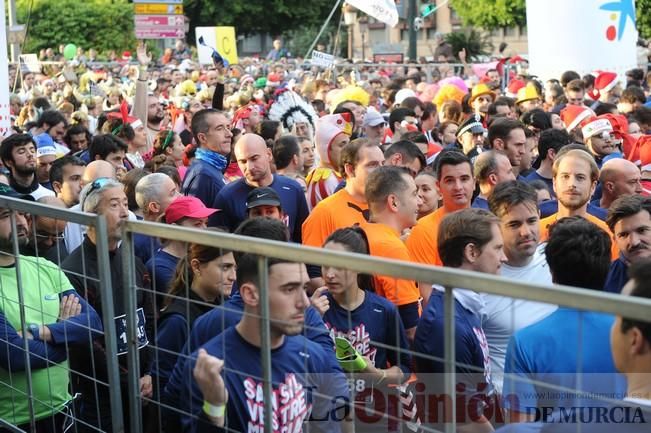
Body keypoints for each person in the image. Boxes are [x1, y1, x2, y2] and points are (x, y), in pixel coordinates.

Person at [162, 218, 337, 430]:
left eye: (304, 288)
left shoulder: (314, 356)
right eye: (289, 289)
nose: (305, 302)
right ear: (250, 293)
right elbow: (172, 412)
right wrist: (214, 409)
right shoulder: (208, 366)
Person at [0, 184, 102, 432]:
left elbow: (94, 323)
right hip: (13, 421)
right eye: (5, 215)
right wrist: (69, 338)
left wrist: (41, 332)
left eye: (21, 212)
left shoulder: (44, 267)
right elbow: (13, 356)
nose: (20, 221)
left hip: (64, 410)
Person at [503, 216, 621, 422]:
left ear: (551, 271)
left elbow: (519, 425)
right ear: (606, 267)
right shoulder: (634, 336)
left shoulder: (525, 342)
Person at [60, 178, 155, 433]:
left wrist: (150, 373)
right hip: (99, 396)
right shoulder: (73, 271)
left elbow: (150, 319)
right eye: (114, 205)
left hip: (142, 385)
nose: (125, 212)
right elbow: (84, 343)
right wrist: (128, 381)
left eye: (126, 203)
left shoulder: (133, 261)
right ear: (92, 216)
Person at [413, 208, 504, 432]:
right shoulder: (446, 325)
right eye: (498, 248)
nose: (504, 257)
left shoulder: (462, 304)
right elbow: (464, 420)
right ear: (472, 252)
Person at [313, 227, 411, 432]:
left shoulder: (383, 310)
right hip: (328, 415)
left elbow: (404, 369)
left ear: (359, 265)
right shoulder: (315, 308)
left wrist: (377, 373)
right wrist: (309, 320)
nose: (329, 274)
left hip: (375, 415)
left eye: (339, 266)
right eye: (325, 264)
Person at [485, 181, 557, 394]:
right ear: (495, 226)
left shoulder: (556, 259)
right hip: (507, 403)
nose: (526, 232)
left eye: (532, 221)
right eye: (514, 224)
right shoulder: (480, 278)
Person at [152, 238, 235, 401]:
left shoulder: (224, 306)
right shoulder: (177, 320)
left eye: (234, 268)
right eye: (225, 267)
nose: (233, 277)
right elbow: (163, 386)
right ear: (196, 266)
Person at [302, 138, 384, 285]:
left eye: (382, 164)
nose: (381, 171)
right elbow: (313, 274)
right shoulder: (325, 211)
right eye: (372, 165)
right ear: (350, 169)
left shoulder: (388, 205)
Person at [212, 134, 308, 243]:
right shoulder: (227, 196)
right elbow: (219, 245)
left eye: (254, 158)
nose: (249, 167)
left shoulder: (293, 189)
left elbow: (303, 236)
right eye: (243, 161)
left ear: (269, 154)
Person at [362, 166, 422, 338]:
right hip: (389, 358)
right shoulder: (391, 248)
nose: (419, 201)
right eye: (414, 194)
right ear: (393, 202)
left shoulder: (362, 231)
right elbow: (410, 329)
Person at [539, 149, 619, 259]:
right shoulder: (536, 231)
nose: (572, 184)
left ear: (593, 187)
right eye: (565, 176)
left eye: (580, 177)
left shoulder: (608, 235)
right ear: (554, 183)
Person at [407, 150, 475, 267]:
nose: (458, 187)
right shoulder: (424, 230)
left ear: (474, 183)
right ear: (439, 187)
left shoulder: (488, 225)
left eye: (464, 179)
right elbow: (422, 282)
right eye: (450, 181)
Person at [146, 195, 218, 299]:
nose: (205, 230)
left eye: (206, 223)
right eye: (197, 224)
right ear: (175, 229)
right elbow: (185, 304)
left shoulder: (197, 255)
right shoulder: (160, 267)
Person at [182, 109, 233, 210]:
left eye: (228, 127)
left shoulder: (210, 167)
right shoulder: (203, 174)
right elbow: (193, 221)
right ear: (202, 138)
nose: (229, 134)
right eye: (219, 128)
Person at [604, 195, 651, 294]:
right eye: (623, 235)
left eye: (641, 230)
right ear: (615, 240)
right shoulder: (603, 278)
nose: (634, 242)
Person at [305, 113, 353, 210]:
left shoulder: (326, 174)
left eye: (348, 143)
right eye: (342, 145)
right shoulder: (328, 179)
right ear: (326, 150)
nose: (347, 149)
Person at [134, 172, 180, 264]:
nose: (180, 196)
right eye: (173, 193)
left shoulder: (173, 227)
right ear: (154, 207)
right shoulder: (137, 243)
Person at [0, 133, 55, 200]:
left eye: (32, 150)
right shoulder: (3, 195)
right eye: (22, 152)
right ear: (8, 162)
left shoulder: (50, 196)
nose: (30, 154)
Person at [524, 128, 572, 197]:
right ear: (552, 154)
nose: (570, 159)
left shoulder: (570, 182)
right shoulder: (527, 186)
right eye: (566, 154)